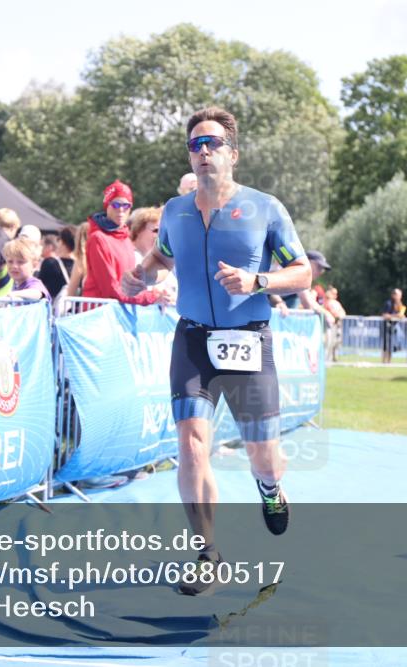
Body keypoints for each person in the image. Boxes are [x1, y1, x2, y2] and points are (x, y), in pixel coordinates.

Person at [122, 107, 310, 595]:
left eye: (213, 143)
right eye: (195, 144)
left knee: (263, 457)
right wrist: (141, 273)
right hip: (193, 340)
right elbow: (163, 255)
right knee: (190, 445)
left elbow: (303, 273)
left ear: (233, 154)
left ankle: (269, 487)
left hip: (248, 340)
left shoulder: (265, 208)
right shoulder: (175, 210)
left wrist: (257, 281)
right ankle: (207, 554)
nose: (203, 151)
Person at [83, 180, 169, 305]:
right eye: (116, 205)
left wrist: (155, 294)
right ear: (107, 206)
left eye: (126, 205)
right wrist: (152, 297)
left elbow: (131, 286)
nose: (121, 209)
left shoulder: (125, 238)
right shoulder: (98, 238)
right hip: (99, 312)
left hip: (120, 311)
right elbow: (111, 290)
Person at [129, 206, 178, 300]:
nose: (160, 236)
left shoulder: (167, 263)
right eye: (156, 230)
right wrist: (155, 297)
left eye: (163, 232)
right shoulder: (129, 257)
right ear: (138, 230)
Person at [4, 237, 50, 302]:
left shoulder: (34, 283)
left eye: (20, 262)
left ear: (34, 265)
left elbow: (37, 293)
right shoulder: (16, 286)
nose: (14, 266)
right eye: (10, 261)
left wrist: (14, 294)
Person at [37, 224, 76, 299]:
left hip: (53, 304)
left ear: (62, 242)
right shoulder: (80, 266)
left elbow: (40, 286)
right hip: (74, 305)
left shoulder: (50, 263)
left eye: (58, 240)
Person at [381, 288, 406, 364]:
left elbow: (401, 315)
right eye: (397, 295)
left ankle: (389, 362)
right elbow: (384, 315)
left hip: (394, 327)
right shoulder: (388, 303)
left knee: (391, 346)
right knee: (386, 346)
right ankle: (384, 362)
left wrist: (402, 316)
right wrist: (396, 316)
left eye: (400, 295)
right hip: (386, 326)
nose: (399, 297)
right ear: (393, 295)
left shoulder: (400, 305)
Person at [324, 286, 347, 361]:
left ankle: (334, 358)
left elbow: (343, 313)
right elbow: (333, 312)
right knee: (329, 342)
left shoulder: (337, 303)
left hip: (337, 325)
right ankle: (326, 359)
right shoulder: (327, 302)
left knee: (337, 342)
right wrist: (337, 315)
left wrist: (339, 315)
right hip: (329, 325)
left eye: (336, 293)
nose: (335, 295)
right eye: (333, 293)